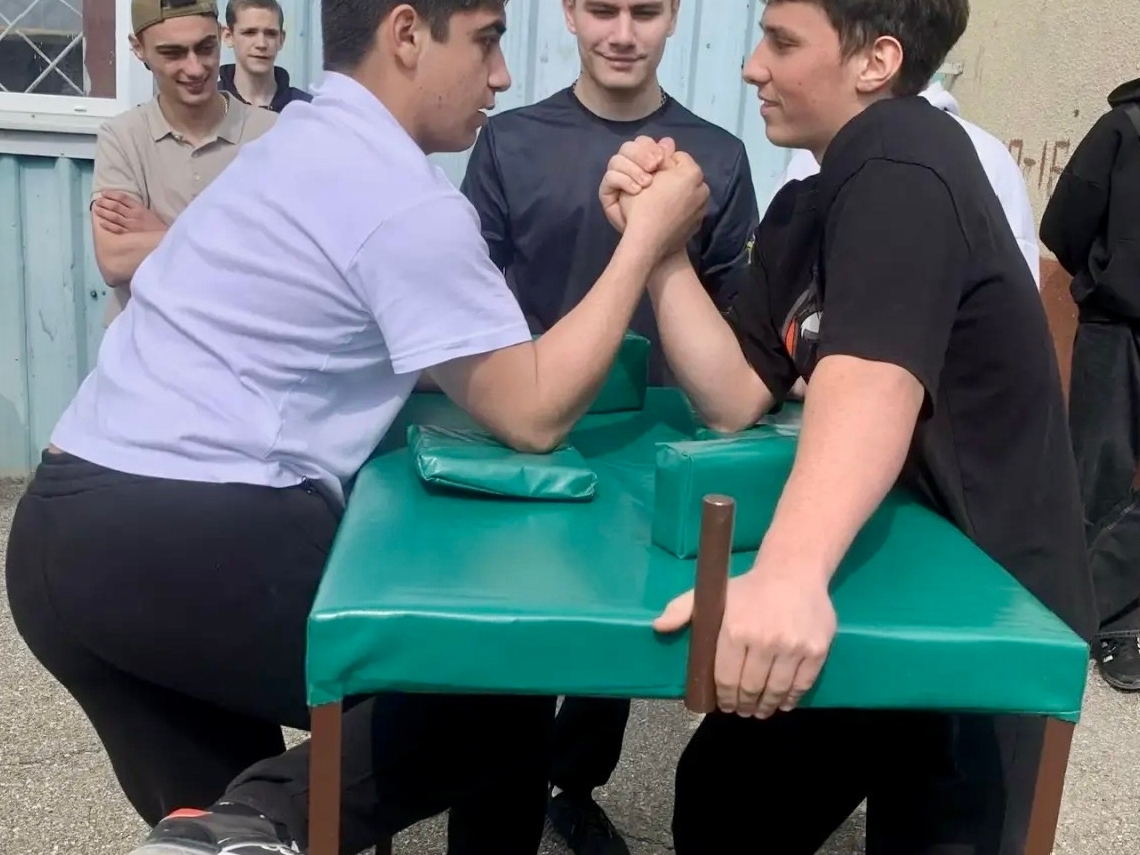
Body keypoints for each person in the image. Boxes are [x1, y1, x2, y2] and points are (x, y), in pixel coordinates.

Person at [2, 2, 709, 855]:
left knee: (222, 828)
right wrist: (646, 242)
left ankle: (248, 825)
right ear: (406, 34)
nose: (501, 75)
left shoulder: (289, 149)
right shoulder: (398, 195)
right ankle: (267, 818)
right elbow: (532, 412)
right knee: (497, 690)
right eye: (486, 41)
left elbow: (420, 355)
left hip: (57, 545)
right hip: (188, 531)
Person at [601, 0, 1095, 852]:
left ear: (877, 61)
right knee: (727, 797)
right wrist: (662, 247)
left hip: (989, 611)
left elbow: (874, 377)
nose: (753, 65)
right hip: (882, 572)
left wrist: (787, 576)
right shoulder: (810, 201)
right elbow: (734, 393)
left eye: (783, 41)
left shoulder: (904, 154)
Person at [455, 1, 758, 851]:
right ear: (568, 14)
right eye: (602, 8)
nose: (622, 33)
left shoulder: (717, 158)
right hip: (530, 443)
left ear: (673, 19)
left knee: (614, 642)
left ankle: (575, 786)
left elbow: (740, 321)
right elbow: (470, 297)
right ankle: (495, 818)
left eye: (645, 11)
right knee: (513, 647)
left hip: (653, 448)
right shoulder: (509, 143)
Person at [1040, 76, 1140, 692]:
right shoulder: (1123, 128)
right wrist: (1107, 280)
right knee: (1099, 472)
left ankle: (1095, 606)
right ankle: (1094, 620)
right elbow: (1063, 226)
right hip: (1117, 329)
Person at [91, 0, 277, 327]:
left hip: (241, 343)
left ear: (221, 35)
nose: (195, 68)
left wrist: (162, 232)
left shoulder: (274, 133)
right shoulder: (121, 137)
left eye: (206, 48)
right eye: (172, 53)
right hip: (145, 341)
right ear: (138, 48)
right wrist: (234, 241)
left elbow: (281, 259)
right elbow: (115, 261)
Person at [781, 78, 1041, 289]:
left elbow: (1012, 299)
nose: (761, 69)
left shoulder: (985, 157)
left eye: (787, 45)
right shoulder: (812, 156)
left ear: (879, 60)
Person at [219, 0, 313, 111]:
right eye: (250, 32)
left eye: (271, 34)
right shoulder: (209, 105)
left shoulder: (306, 110)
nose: (261, 44)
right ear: (228, 36)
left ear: (281, 39)